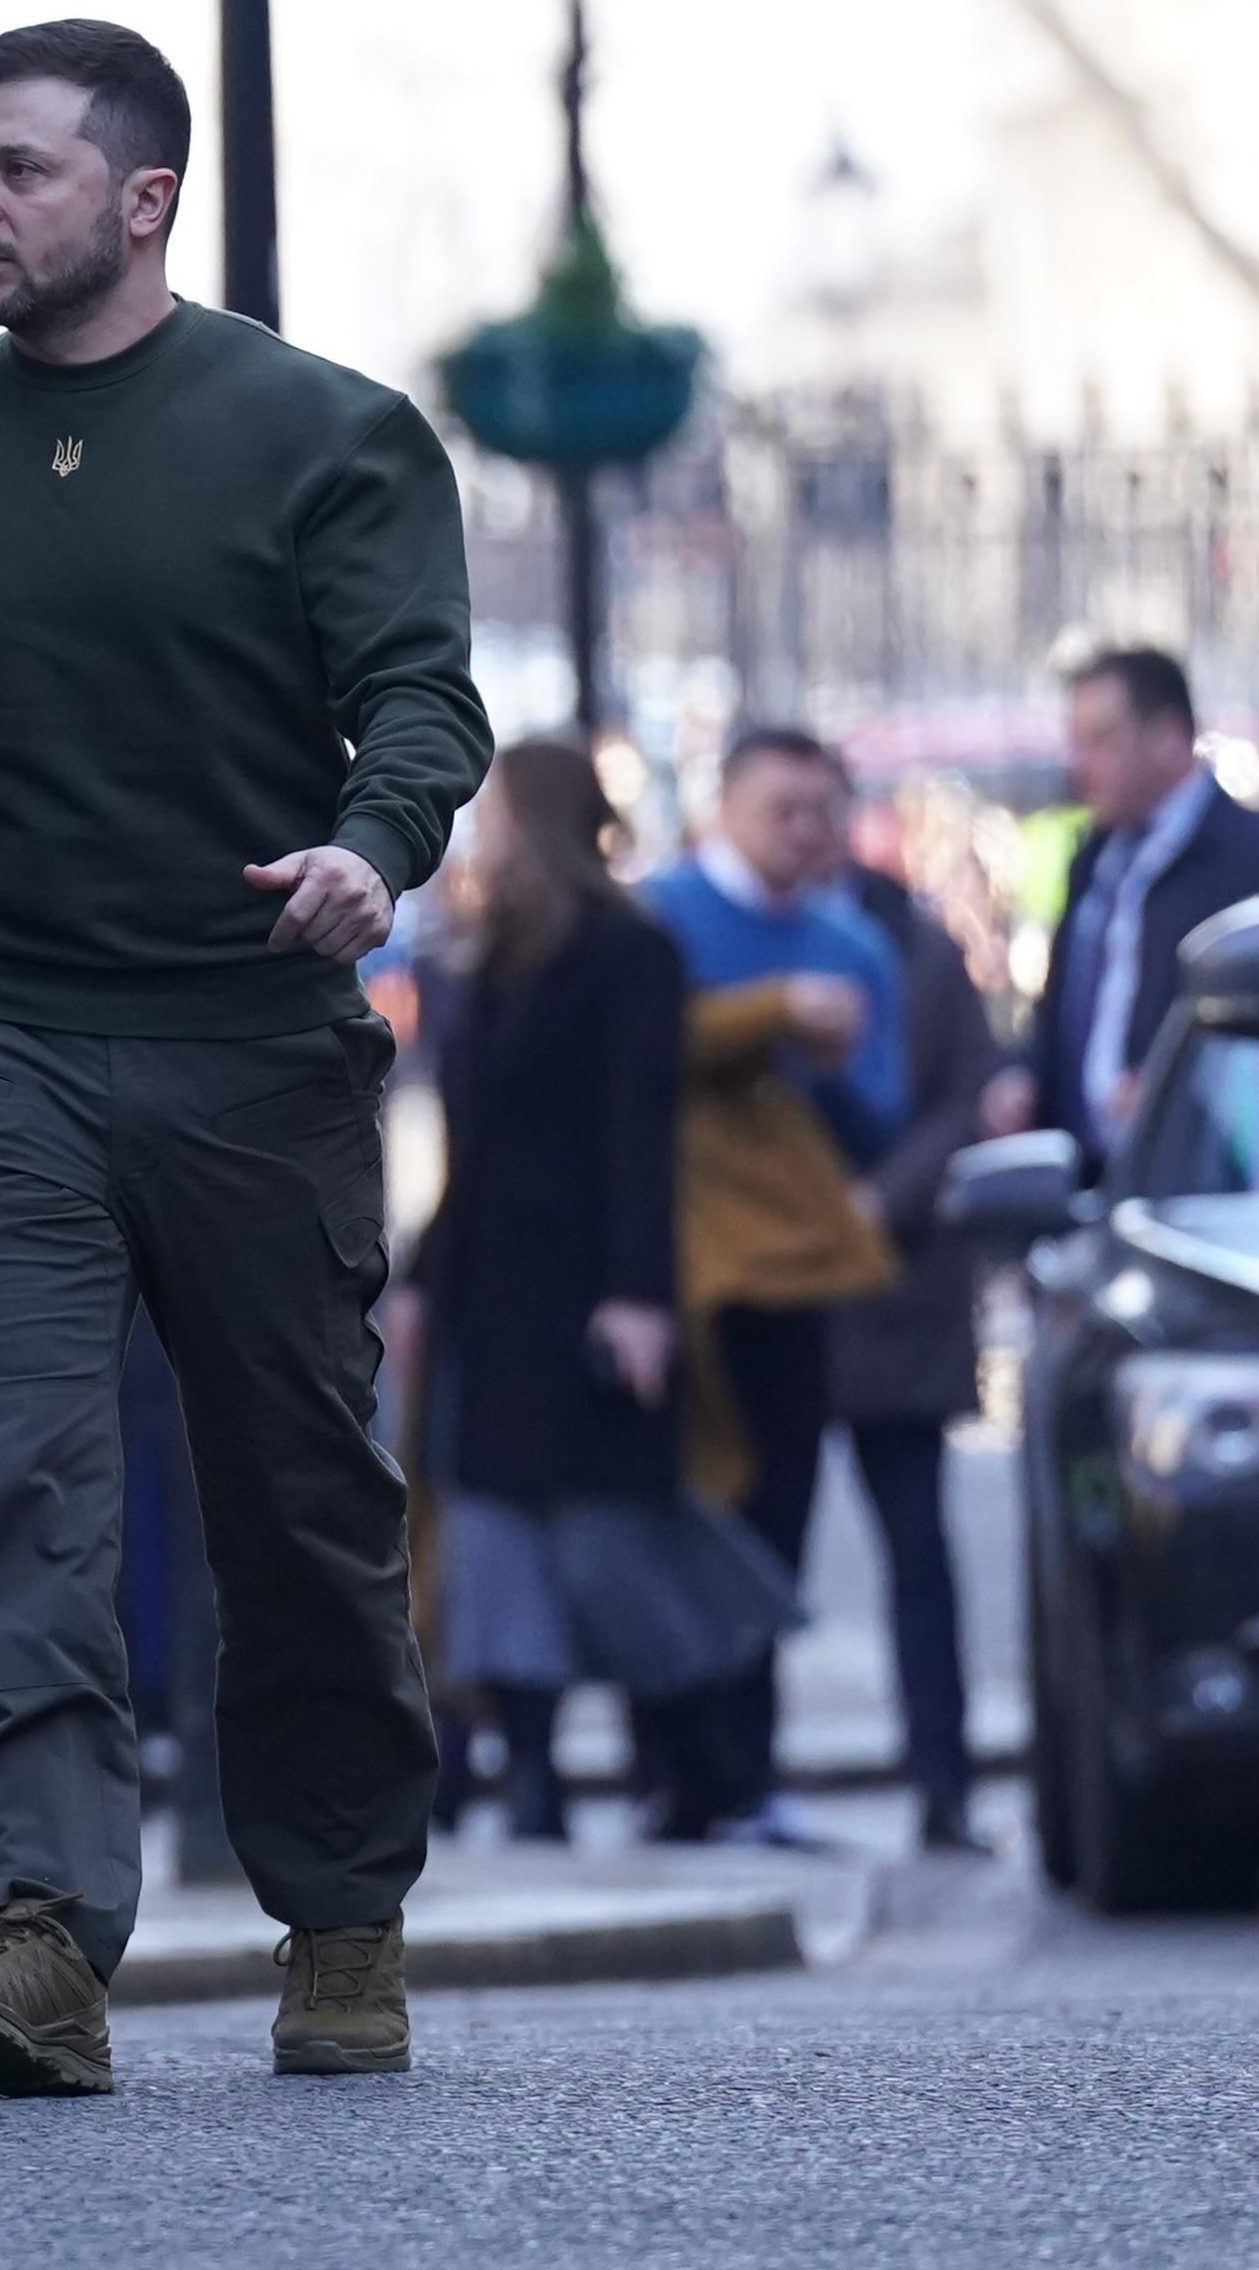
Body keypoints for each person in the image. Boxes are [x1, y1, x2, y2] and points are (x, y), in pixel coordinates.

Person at [0, 19, 489, 2096]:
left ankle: (338, 1910)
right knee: (6, 1484)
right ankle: (31, 1936)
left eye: (16, 170)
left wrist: (372, 854)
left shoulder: (321, 437)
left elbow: (419, 702)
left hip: (252, 1043)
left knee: (297, 1507)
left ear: (141, 197)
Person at [403, 745, 785, 1843]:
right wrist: (426, 1278)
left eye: (496, 814)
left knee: (606, 1537)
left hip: (585, 1293)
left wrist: (636, 1298)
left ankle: (687, 1767)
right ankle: (533, 1779)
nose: (483, 833)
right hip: (492, 1294)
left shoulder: (629, 952)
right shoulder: (480, 962)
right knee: (496, 1537)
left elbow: (637, 1135)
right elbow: (465, 1149)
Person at [644, 727, 904, 1844]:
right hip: (668, 1275)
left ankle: (744, 1770)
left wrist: (819, 1065)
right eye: (780, 808)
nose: (803, 832)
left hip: (787, 1278)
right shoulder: (656, 921)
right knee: (675, 1518)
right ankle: (683, 1769)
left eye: (820, 810)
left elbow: (874, 1120)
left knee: (775, 1521)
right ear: (724, 806)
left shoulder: (853, 948)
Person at [983, 648, 1259, 1159]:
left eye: (1101, 741)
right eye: (1076, 742)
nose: (1080, 766)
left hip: (1217, 1183)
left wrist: (1180, 1090)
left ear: (1168, 737)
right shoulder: (1092, 861)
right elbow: (1062, 1017)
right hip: (1089, 1182)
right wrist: (1022, 1076)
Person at [825, 802, 997, 1855]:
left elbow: (965, 1094)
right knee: (761, 1541)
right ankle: (727, 1776)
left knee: (918, 1554)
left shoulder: (923, 949)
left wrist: (884, 1197)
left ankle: (942, 1778)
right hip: (783, 1289)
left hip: (899, 1291)